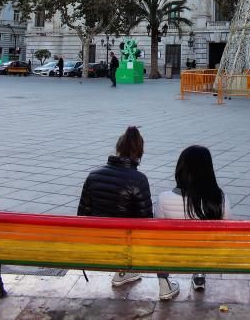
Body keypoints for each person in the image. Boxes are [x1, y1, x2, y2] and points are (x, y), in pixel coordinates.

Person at [77, 126, 179, 299]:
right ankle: (164, 284)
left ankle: (123, 273)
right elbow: (145, 223)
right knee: (157, 235)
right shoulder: (138, 179)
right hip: (124, 247)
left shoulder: (93, 175)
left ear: (118, 149)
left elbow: (82, 215)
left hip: (96, 245)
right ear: (139, 153)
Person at [156, 145, 230, 292]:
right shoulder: (219, 199)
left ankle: (164, 285)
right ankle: (199, 274)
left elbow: (158, 232)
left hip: (174, 255)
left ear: (180, 168)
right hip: (208, 255)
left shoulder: (163, 198)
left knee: (158, 240)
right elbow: (227, 229)